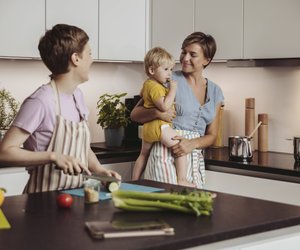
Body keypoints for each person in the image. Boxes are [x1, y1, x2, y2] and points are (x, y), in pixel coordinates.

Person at [0, 24, 121, 193]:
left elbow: (81, 148)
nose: (92, 59)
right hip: (42, 202)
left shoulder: (77, 96)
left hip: (76, 197)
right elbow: (5, 152)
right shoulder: (41, 101)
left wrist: (99, 170)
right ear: (76, 58)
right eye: (90, 53)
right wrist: (52, 156)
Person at [131, 32, 224, 188]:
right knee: (166, 206)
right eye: (183, 52)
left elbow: (212, 135)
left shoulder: (216, 91)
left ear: (207, 60)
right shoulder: (167, 79)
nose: (185, 58)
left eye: (192, 54)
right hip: (165, 155)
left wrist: (192, 144)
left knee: (193, 207)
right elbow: (135, 114)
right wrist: (157, 113)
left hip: (193, 158)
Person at [132, 47, 194, 187]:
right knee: (180, 147)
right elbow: (164, 106)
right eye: (166, 69)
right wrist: (172, 90)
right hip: (160, 126)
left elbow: (145, 98)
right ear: (152, 70)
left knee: (143, 155)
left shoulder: (148, 84)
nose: (169, 74)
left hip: (148, 128)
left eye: (171, 70)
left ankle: (134, 181)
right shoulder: (156, 87)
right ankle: (182, 180)